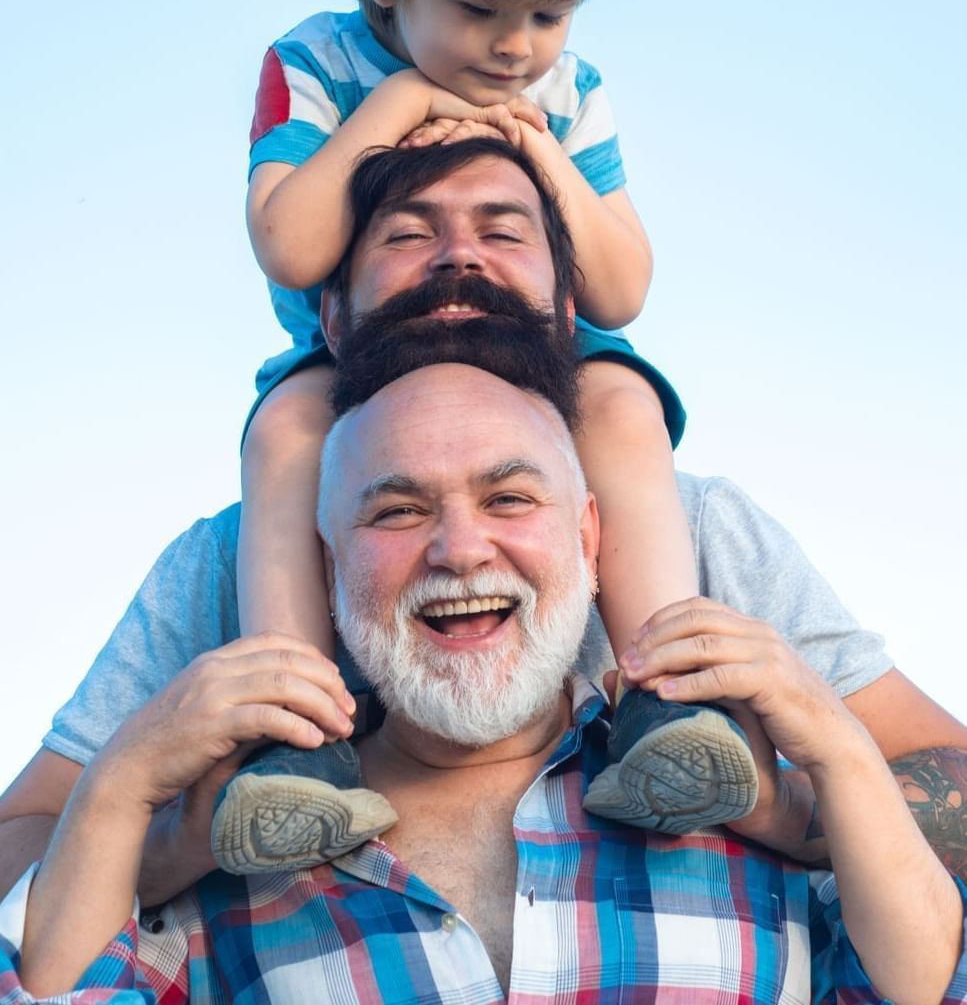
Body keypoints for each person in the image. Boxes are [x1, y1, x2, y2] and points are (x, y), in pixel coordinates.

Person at [1, 138, 965, 908]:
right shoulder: (223, 563)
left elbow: (943, 773)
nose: (458, 255)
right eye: (407, 236)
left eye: (503, 233)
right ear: (329, 318)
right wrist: (172, 836)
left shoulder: (699, 527)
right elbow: (20, 843)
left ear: (568, 308)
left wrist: (783, 802)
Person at [3, 365, 966, 1002]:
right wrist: (126, 775)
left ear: (590, 539)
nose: (460, 549)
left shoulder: (733, 810)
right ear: (328, 569)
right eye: (397, 508)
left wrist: (836, 746)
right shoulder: (236, 870)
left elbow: (919, 984)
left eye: (509, 498)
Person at [230, 0, 756, 868]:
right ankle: (295, 740)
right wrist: (394, 108)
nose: (517, 47)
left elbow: (617, 288)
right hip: (366, 358)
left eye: (547, 14)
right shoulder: (316, 63)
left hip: (532, 355)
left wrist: (544, 158)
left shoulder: (571, 95)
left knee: (620, 397)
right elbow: (291, 242)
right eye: (477, 9)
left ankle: (665, 702)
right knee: (287, 431)